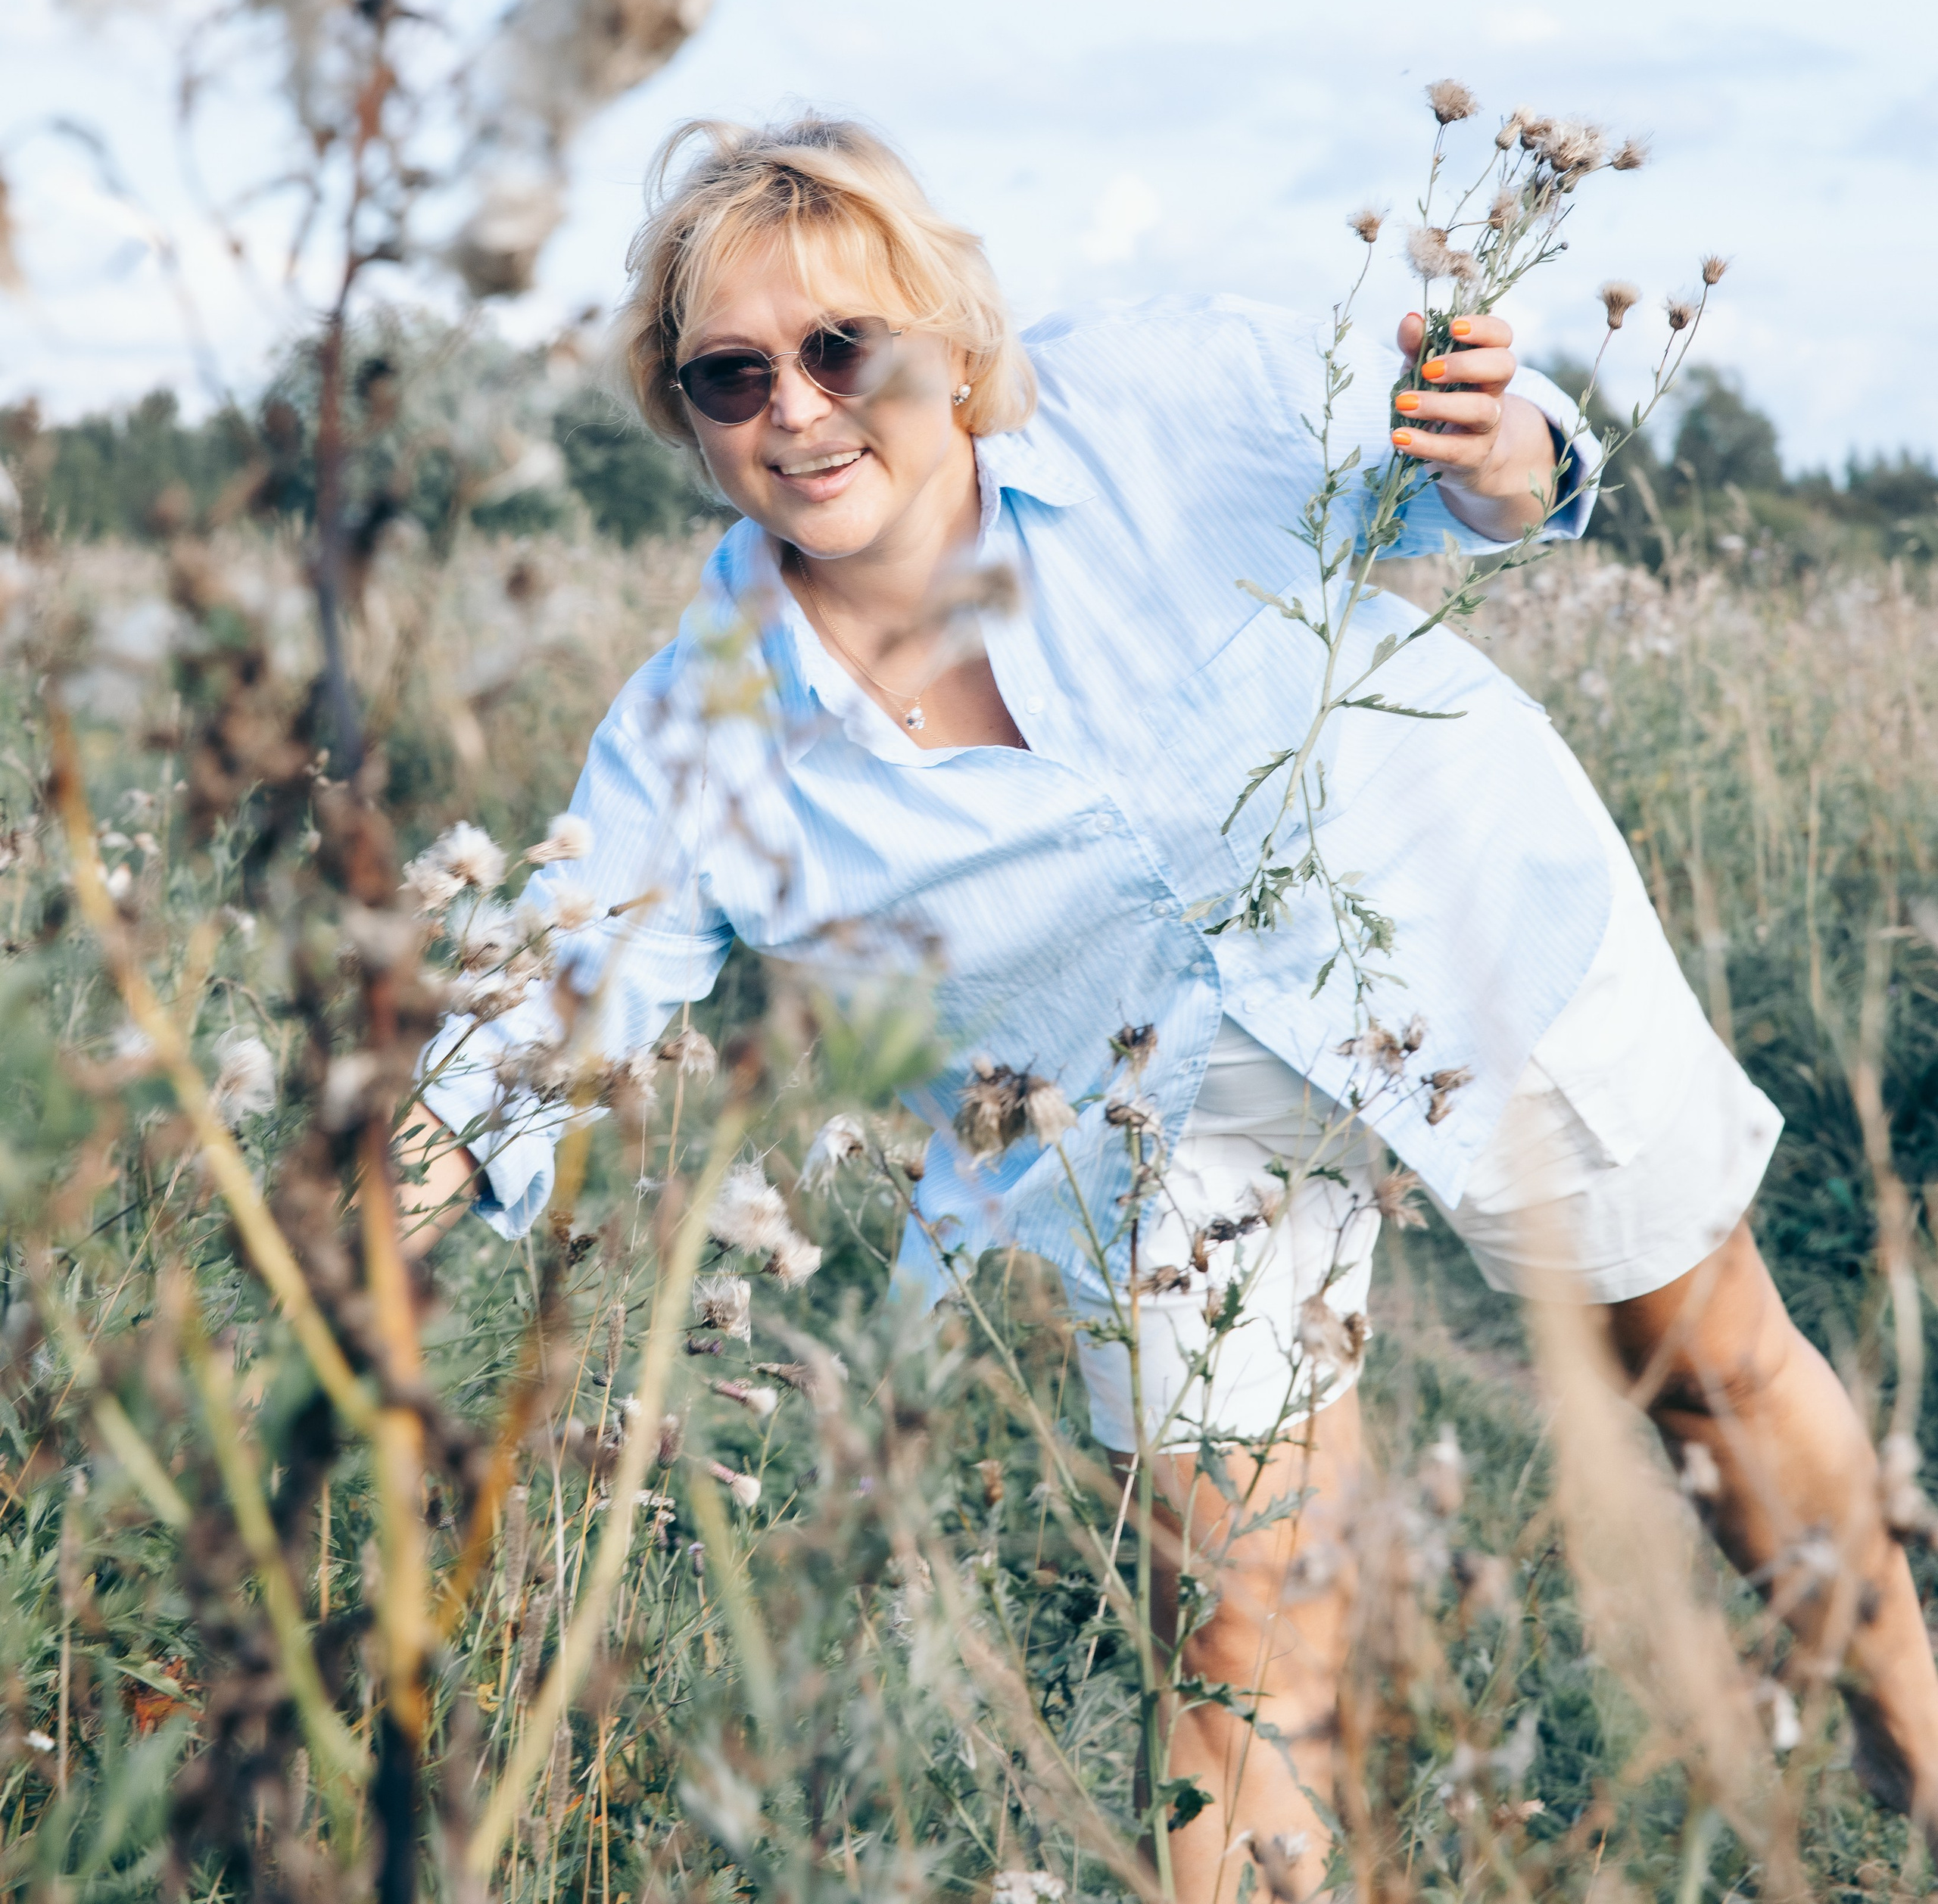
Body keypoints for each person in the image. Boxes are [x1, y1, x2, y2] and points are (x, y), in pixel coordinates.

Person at [403, 114, 1938, 1901]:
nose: (798, 411)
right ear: (686, 417)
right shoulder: (701, 724)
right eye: (731, 376)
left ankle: (1914, 1748)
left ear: (948, 343)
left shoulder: (1159, 395)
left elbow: (1473, 480)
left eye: (842, 348)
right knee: (1243, 1625)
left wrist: (1505, 449)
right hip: (1150, 1118)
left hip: (1461, 934)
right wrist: (323, 1229)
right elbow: (550, 1002)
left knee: (1710, 1373)